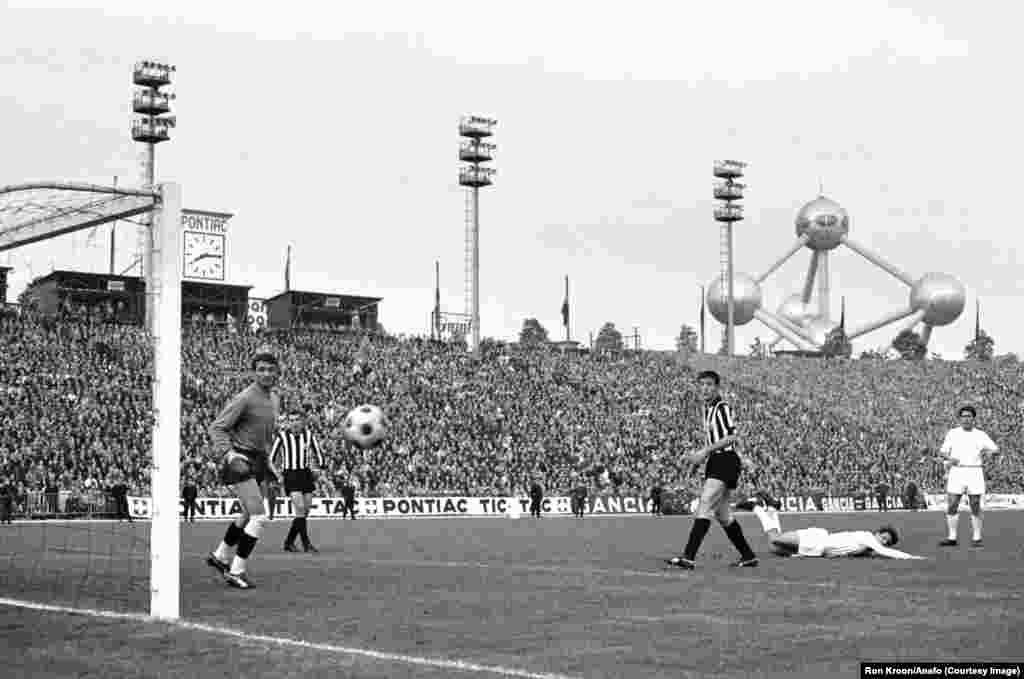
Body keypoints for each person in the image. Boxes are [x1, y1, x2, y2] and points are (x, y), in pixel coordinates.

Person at [666, 370, 758, 570]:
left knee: (705, 503)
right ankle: (748, 556)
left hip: (725, 460)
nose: (705, 388)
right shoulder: (707, 409)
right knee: (723, 515)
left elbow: (732, 437)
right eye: (702, 384)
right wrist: (701, 459)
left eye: (709, 384)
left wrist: (704, 452)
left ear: (717, 387)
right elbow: (717, 440)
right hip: (717, 460)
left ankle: (688, 557)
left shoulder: (721, 407)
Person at [205, 350, 282, 589]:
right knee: (259, 515)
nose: (266, 373)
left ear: (277, 372)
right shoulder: (245, 398)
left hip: (258, 460)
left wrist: (268, 459)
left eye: (270, 369)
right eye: (261, 369)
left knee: (248, 514)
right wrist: (228, 454)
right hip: (240, 461)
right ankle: (236, 571)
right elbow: (217, 428)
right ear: (253, 372)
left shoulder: (275, 398)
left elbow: (265, 434)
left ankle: (220, 556)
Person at [749, 496, 924, 559]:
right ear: (877, 533)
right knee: (775, 540)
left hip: (819, 547)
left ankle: (771, 508)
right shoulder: (868, 538)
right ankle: (758, 508)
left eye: (886, 542)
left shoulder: (867, 546)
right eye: (884, 538)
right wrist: (909, 557)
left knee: (774, 548)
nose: (883, 542)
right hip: (818, 541)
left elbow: (876, 551)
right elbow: (884, 552)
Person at [938, 405, 998, 548]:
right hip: (957, 471)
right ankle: (952, 537)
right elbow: (943, 452)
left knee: (975, 504)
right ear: (959, 418)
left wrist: (991, 453)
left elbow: (995, 449)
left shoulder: (980, 434)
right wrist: (950, 458)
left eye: (969, 416)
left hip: (974, 471)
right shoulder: (952, 433)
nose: (966, 419)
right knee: (952, 503)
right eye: (963, 416)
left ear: (973, 418)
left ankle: (977, 537)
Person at [272, 405, 326, 552]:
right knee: (300, 508)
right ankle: (306, 543)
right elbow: (270, 459)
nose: (294, 423)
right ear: (288, 422)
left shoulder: (309, 435)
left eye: (297, 420)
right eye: (291, 420)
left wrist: (320, 469)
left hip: (306, 474)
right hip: (290, 474)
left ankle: (289, 542)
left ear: (302, 422)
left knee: (305, 511)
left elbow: (318, 453)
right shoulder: (282, 436)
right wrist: (278, 476)